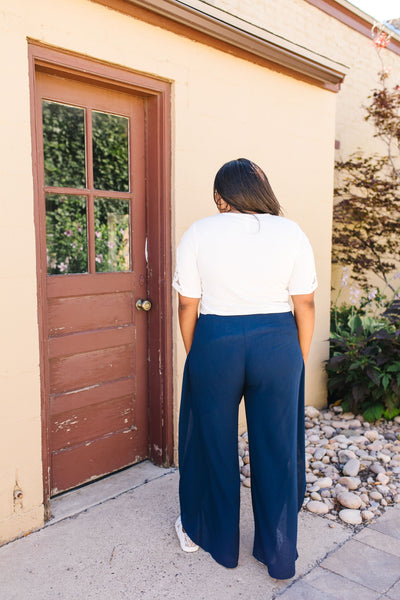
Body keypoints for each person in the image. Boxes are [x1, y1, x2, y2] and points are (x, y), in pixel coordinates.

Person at [172, 158, 317, 580]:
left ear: (221, 196)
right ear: (262, 192)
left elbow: (187, 304)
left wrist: (197, 352)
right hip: (278, 342)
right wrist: (297, 358)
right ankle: (277, 551)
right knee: (276, 447)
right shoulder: (290, 232)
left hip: (215, 341)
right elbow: (304, 303)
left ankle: (214, 538)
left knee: (210, 442)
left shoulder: (199, 231)